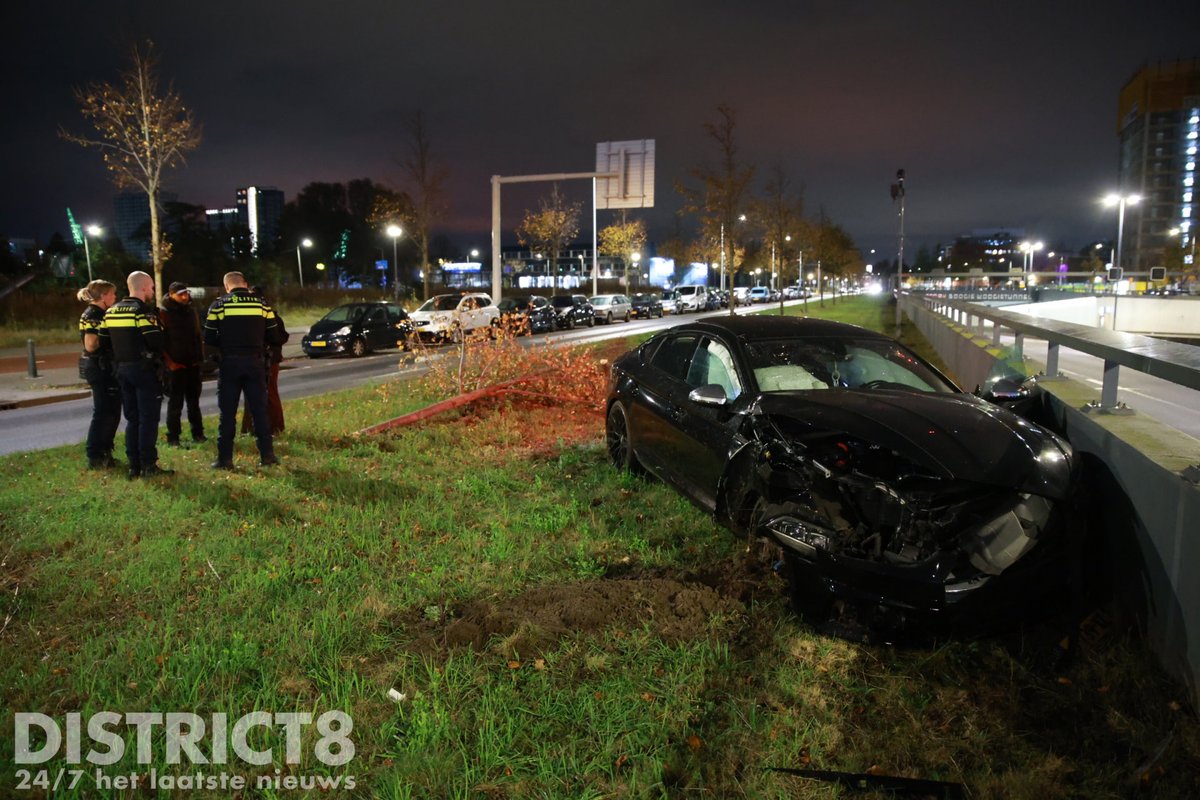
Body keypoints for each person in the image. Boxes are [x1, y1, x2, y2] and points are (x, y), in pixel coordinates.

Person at [204, 271, 285, 469]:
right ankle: (267, 456)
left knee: (227, 414)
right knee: (259, 411)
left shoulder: (218, 305)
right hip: (255, 363)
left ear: (226, 286)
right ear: (245, 284)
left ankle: (225, 459)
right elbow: (275, 336)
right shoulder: (261, 304)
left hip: (229, 364)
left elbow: (209, 337)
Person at [100, 271, 173, 478]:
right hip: (144, 370)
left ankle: (134, 465)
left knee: (132, 419)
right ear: (143, 287)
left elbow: (104, 342)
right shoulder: (142, 312)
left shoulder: (110, 312)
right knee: (148, 418)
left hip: (122, 370)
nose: (152, 291)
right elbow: (156, 342)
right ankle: (149, 464)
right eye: (151, 288)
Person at [77, 279, 122, 469]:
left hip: (103, 367)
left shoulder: (99, 313)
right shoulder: (94, 315)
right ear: (103, 296)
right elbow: (91, 344)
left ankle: (104, 451)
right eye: (112, 294)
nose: (115, 297)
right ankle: (95, 455)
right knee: (104, 412)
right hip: (99, 367)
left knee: (111, 412)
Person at [159, 281, 207, 446]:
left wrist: (199, 359)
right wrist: (170, 363)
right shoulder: (164, 313)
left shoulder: (191, 311)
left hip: (193, 364)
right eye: (181, 294)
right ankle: (173, 437)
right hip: (175, 366)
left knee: (194, 402)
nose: (185, 297)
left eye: (186, 293)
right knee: (175, 404)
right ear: (171, 295)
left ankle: (198, 434)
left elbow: (197, 335)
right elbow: (161, 342)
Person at [241, 285, 287, 436]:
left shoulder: (267, 315)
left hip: (268, 359)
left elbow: (279, 337)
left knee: (269, 393)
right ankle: (259, 427)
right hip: (261, 358)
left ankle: (275, 426)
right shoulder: (266, 314)